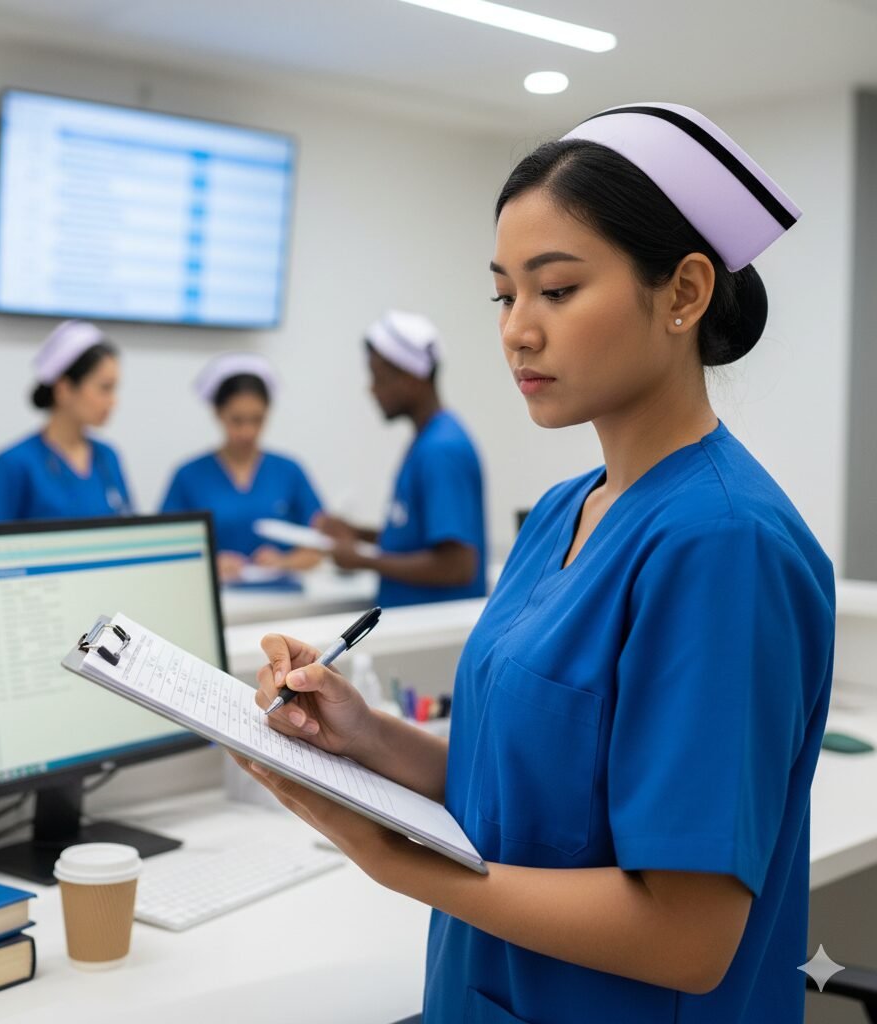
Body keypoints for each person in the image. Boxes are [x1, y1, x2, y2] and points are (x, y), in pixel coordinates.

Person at [234, 103, 835, 1024]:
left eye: (555, 291)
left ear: (683, 293)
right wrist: (362, 736)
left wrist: (401, 862)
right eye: (504, 295)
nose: (517, 330)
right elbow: (520, 781)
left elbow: (687, 937)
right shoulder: (567, 510)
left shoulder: (723, 545)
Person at [314, 310, 487, 608]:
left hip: (433, 633)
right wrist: (358, 534)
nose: (372, 389)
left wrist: (364, 561)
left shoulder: (441, 450)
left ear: (411, 378)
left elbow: (457, 565)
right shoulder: (429, 440)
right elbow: (418, 540)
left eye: (378, 377)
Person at [160, 353, 324, 583]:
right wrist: (208, 564)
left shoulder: (289, 472)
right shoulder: (188, 476)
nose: (248, 432)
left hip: (285, 603)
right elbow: (165, 551)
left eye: (257, 420)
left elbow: (318, 547)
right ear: (218, 414)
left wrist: (284, 562)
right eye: (237, 420)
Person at [0, 320, 132, 523]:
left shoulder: (108, 457)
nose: (113, 401)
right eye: (104, 388)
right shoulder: (15, 463)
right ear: (64, 389)